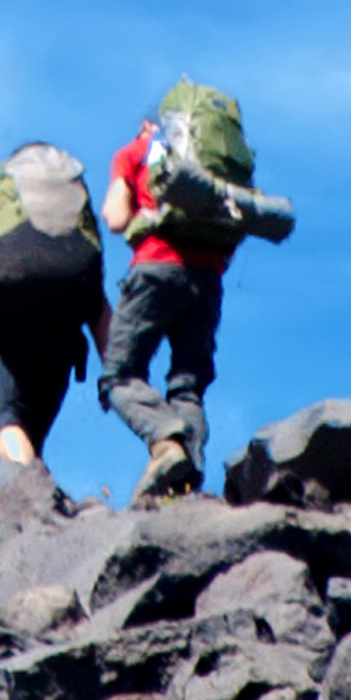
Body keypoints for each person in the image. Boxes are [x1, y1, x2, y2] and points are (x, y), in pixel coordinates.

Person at [101, 104, 246, 503]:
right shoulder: (214, 162)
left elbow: (114, 219)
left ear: (149, 126)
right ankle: (183, 483)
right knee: (188, 387)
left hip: (154, 268)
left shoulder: (135, 152)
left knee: (119, 377)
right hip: (207, 279)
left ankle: (167, 444)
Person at [0, 144, 109, 472]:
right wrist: (115, 371)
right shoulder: (77, 223)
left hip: (7, 326)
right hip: (63, 333)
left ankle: (35, 487)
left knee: (9, 422)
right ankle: (38, 492)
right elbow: (98, 306)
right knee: (32, 434)